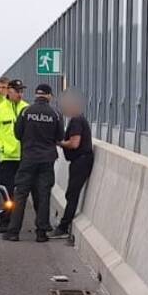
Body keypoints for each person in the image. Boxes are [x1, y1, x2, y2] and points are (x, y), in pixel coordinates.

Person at [3, 83, 63, 243]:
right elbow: (59, 137)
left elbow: (17, 134)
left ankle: (13, 232)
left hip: (28, 158)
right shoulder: (55, 114)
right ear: (49, 96)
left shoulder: (25, 111)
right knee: (43, 195)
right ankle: (41, 233)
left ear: (36, 95)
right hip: (47, 160)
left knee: (20, 194)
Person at [0, 79, 27, 231]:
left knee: (22, 193)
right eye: (17, 91)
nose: (20, 94)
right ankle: (5, 221)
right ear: (9, 91)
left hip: (24, 158)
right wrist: (1, 146)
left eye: (22, 91)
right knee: (7, 192)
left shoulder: (26, 108)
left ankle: (17, 224)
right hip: (7, 158)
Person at [50, 90, 94, 239]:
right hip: (82, 160)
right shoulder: (80, 119)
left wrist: (59, 143)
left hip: (80, 160)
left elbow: (74, 144)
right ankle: (64, 224)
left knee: (72, 194)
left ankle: (63, 227)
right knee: (71, 193)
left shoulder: (76, 121)